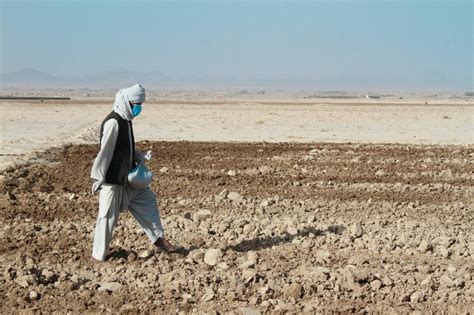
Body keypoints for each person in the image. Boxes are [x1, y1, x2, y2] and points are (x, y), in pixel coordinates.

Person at [90, 84, 181, 262]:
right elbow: (105, 151)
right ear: (126, 102)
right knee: (107, 218)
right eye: (136, 104)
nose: (138, 108)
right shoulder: (113, 122)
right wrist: (98, 176)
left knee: (147, 201)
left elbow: (124, 148)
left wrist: (139, 155)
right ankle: (97, 257)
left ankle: (160, 241)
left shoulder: (126, 120)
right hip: (113, 180)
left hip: (129, 179)